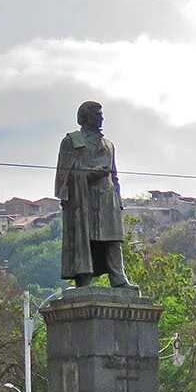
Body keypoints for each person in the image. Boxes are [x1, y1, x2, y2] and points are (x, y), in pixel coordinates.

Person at [55, 101, 131, 289]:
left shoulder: (109, 144)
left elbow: (114, 175)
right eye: (97, 114)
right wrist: (88, 173)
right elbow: (63, 175)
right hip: (83, 198)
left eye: (101, 114)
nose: (101, 117)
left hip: (107, 198)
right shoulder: (71, 141)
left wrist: (118, 201)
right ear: (85, 116)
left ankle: (118, 277)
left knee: (113, 238)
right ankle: (83, 277)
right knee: (85, 238)